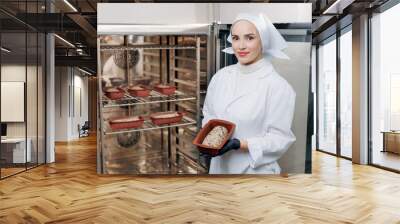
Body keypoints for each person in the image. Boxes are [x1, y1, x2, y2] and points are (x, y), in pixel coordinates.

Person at [201, 13, 296, 174]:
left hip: (255, 173)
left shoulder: (278, 86)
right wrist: (209, 138)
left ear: (263, 41)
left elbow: (280, 139)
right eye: (236, 38)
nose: (241, 46)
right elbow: (209, 115)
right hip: (219, 169)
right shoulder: (221, 77)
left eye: (250, 38)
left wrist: (241, 144)